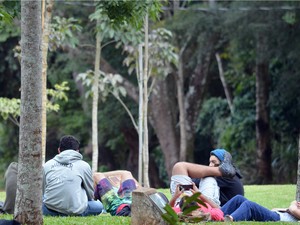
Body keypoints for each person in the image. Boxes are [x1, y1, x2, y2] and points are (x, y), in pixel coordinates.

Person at [42, 135, 103, 216]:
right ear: (77, 151)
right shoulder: (84, 165)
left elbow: (43, 191)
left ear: (59, 150)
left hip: (50, 210)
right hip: (76, 210)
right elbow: (90, 193)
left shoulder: (47, 165)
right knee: (98, 206)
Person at [174, 148, 244, 206]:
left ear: (223, 163)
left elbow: (195, 181)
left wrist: (185, 174)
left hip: (227, 210)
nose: (210, 165)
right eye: (210, 162)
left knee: (208, 178)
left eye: (214, 162)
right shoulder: (229, 176)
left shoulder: (227, 177)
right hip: (223, 207)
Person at [221, 195, 300, 222]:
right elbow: (274, 209)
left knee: (249, 205)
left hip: (277, 218)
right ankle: (215, 214)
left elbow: (292, 208)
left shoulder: (294, 209)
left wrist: (293, 205)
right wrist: (288, 209)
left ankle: (230, 219)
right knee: (239, 198)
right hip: (275, 215)